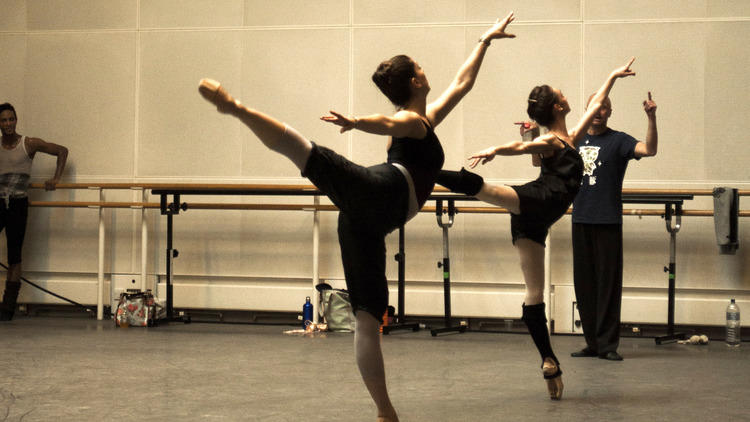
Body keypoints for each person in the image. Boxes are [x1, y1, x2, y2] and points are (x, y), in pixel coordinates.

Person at [197, 12, 516, 422]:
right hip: (379, 192)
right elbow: (389, 120)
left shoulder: (425, 118)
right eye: (420, 67)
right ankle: (236, 108)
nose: (425, 70)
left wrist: (485, 40)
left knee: (368, 319)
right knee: (306, 152)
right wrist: (357, 122)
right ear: (416, 81)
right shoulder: (411, 122)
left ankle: (385, 412)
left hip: (366, 220)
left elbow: (463, 83)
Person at [436, 58, 637, 400]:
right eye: (563, 94)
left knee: (534, 295)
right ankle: (425, 173)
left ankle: (549, 362)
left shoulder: (570, 137)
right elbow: (525, 147)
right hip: (539, 200)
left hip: (535, 219)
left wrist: (613, 77)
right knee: (485, 190)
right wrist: (495, 149)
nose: (571, 98)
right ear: (559, 105)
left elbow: (595, 101)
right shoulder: (555, 142)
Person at [570, 92, 658, 361]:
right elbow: (541, 159)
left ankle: (607, 345)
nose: (599, 111)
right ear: (586, 109)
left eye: (604, 107)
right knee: (584, 285)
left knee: (607, 284)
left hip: (607, 220)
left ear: (610, 112)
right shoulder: (573, 138)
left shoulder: (618, 140)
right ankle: (593, 343)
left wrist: (651, 117)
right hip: (580, 218)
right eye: (595, 106)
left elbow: (649, 150)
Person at [0, 102, 68, 321]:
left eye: (11, 119)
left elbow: (61, 151)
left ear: (16, 120)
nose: (8, 123)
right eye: (3, 120)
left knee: (14, 256)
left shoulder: (28, 144)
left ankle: (7, 308)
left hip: (18, 204)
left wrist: (56, 178)